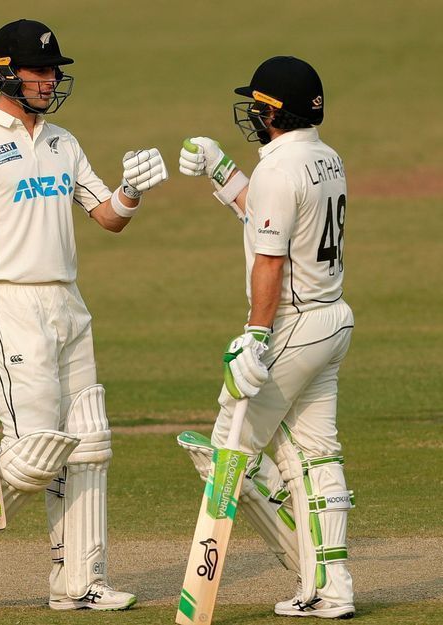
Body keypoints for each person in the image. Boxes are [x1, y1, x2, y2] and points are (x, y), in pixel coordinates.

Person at [0, 18, 167, 611]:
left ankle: (78, 582)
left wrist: (130, 190)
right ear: (5, 73)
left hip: (68, 302)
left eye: (53, 70)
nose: (49, 80)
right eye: (38, 70)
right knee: (32, 453)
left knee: (88, 443)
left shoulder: (63, 142)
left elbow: (107, 217)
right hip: (9, 304)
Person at [176, 56, 356, 619]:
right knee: (314, 454)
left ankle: (295, 567)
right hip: (332, 317)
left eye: (258, 105)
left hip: (293, 323)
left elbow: (270, 261)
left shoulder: (280, 169)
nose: (251, 113)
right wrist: (220, 167)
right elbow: (266, 215)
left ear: (274, 112)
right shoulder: (326, 158)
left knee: (228, 453)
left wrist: (255, 336)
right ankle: (331, 586)